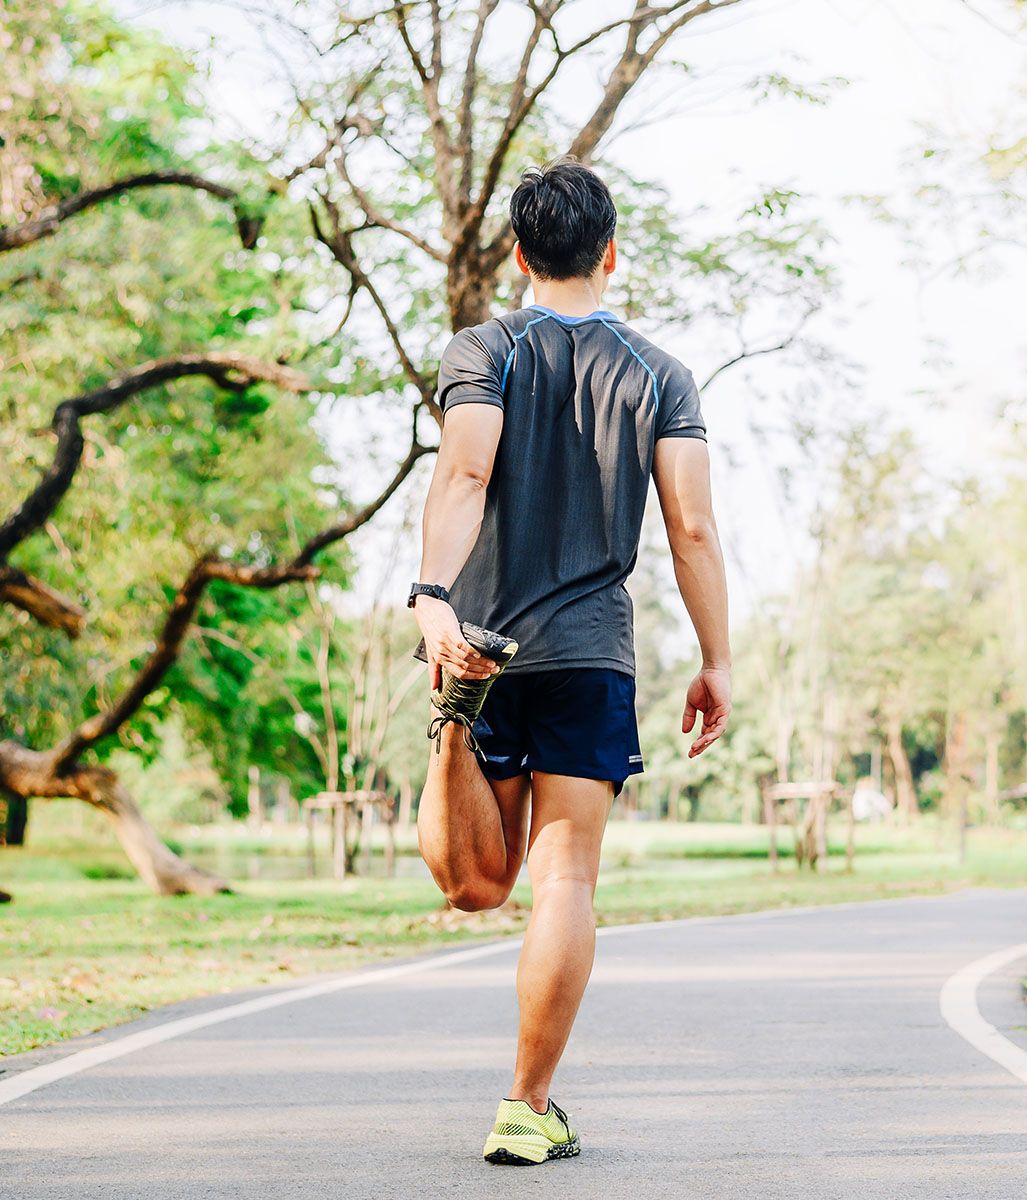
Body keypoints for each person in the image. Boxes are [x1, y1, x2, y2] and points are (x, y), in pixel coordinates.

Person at [408, 157, 732, 1166]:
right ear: (611, 253)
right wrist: (717, 659)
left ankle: (453, 723)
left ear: (519, 254)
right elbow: (691, 528)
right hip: (590, 656)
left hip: (484, 642)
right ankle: (526, 1106)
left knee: (475, 888)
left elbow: (465, 472)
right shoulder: (659, 373)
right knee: (563, 884)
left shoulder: (484, 348)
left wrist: (432, 596)